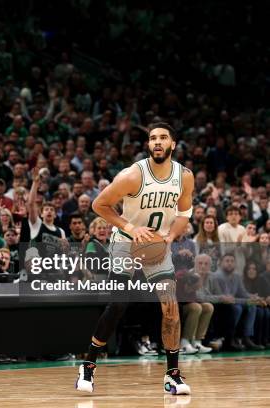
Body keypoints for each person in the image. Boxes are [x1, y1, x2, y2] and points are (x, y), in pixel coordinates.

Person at [76, 123, 194, 395]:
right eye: (153, 138)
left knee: (171, 307)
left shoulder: (184, 177)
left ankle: (172, 374)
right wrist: (131, 228)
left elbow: (184, 214)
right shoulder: (133, 175)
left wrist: (168, 238)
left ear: (172, 144)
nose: (157, 142)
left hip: (156, 245)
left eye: (163, 137)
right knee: (119, 303)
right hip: (126, 243)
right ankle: (88, 365)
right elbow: (99, 205)